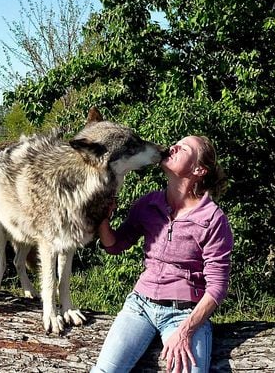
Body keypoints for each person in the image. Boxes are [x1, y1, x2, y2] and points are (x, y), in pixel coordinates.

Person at [91, 135, 233, 373]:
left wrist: (185, 332)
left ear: (199, 169)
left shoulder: (212, 219)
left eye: (184, 147)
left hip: (185, 314)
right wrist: (102, 217)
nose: (173, 146)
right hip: (140, 306)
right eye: (176, 142)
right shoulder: (148, 204)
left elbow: (217, 287)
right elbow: (115, 245)